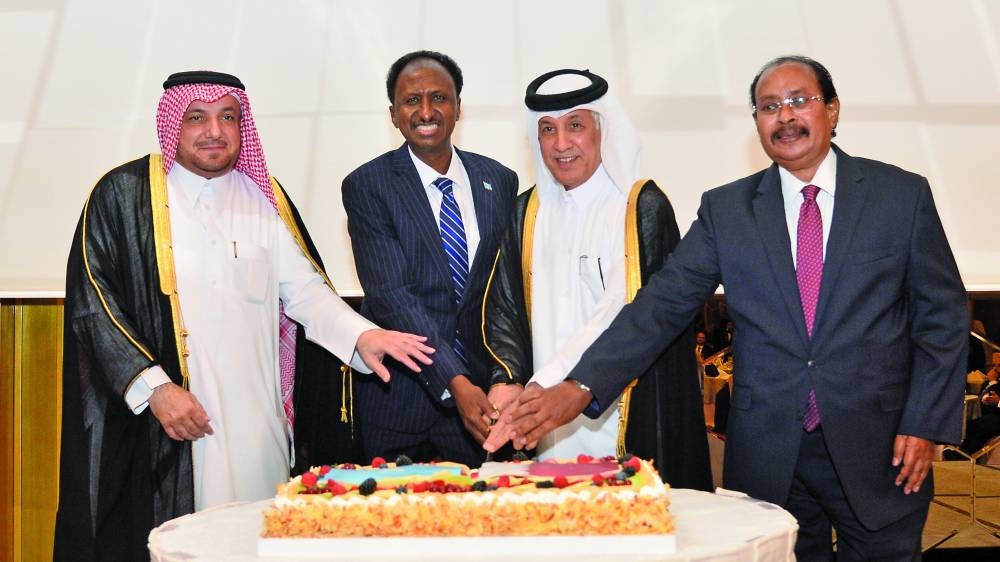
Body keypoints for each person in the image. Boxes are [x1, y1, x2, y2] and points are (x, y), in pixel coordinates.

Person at [493, 56, 967, 560]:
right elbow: (660, 306)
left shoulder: (900, 195)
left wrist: (924, 424)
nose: (784, 117)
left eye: (799, 101)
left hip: (882, 450)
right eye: (768, 107)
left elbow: (943, 318)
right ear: (757, 122)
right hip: (770, 456)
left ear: (832, 110)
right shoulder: (728, 210)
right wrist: (580, 386)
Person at [55, 70, 434, 561]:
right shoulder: (125, 196)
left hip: (259, 426)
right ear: (174, 123)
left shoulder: (262, 198)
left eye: (228, 117)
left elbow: (307, 294)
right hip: (166, 428)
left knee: (256, 542)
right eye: (197, 117)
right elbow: (94, 308)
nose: (214, 130)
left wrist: (363, 336)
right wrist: (156, 390)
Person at [482, 69, 711, 491]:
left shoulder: (640, 206)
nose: (561, 143)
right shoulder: (526, 212)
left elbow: (626, 309)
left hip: (622, 407)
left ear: (603, 130)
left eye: (575, 126)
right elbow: (506, 307)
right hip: (543, 420)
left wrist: (548, 381)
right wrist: (509, 381)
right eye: (547, 130)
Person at [342, 51, 518, 467]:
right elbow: (391, 296)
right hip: (400, 401)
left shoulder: (501, 180)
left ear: (458, 108)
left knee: (484, 522)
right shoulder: (368, 185)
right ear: (393, 114)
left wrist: (504, 377)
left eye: (439, 98)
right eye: (411, 100)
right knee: (398, 525)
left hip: (485, 402)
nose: (425, 111)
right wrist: (454, 380)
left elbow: (507, 296)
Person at [952, 351, 1000, 457]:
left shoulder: (995, 381)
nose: (995, 369)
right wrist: (990, 382)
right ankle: (960, 450)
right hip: (990, 411)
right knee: (970, 421)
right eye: (993, 365)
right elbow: (984, 394)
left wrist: (997, 399)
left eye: (999, 365)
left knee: (982, 424)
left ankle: (965, 455)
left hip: (997, 414)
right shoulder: (995, 379)